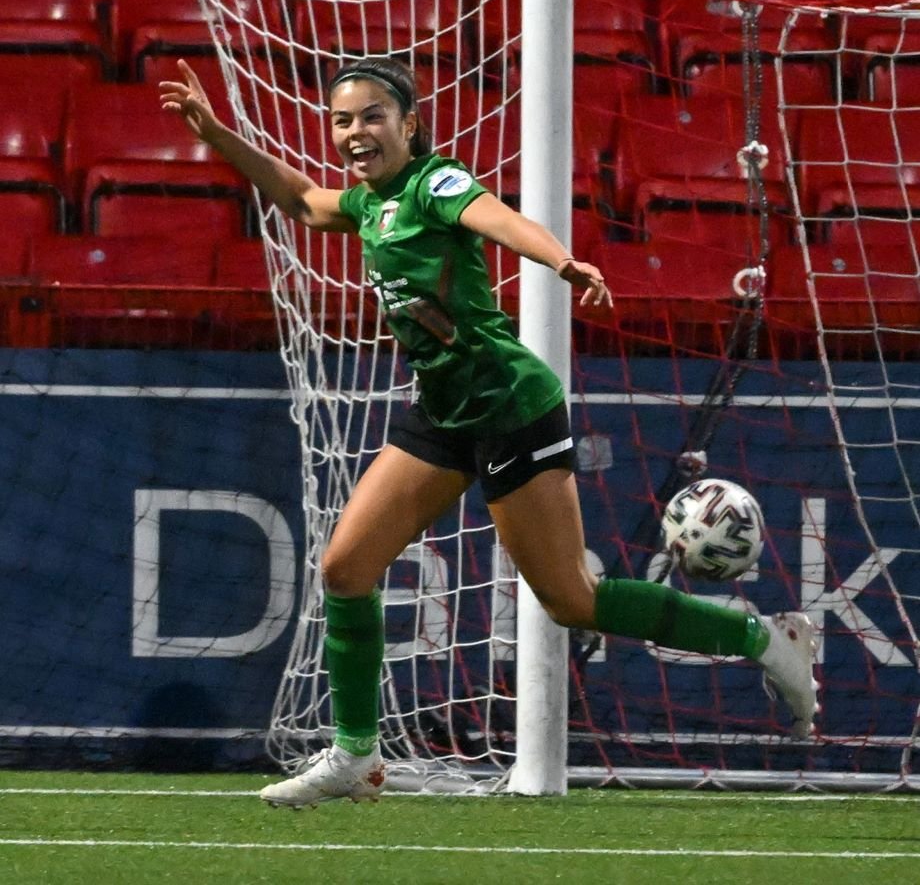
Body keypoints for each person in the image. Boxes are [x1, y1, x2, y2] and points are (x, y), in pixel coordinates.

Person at [160, 56, 819, 809]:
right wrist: (214, 132)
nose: (355, 132)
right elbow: (305, 199)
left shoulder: (434, 185)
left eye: (373, 115)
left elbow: (497, 220)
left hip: (510, 408)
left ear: (408, 125)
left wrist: (562, 261)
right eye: (342, 120)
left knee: (573, 600)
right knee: (345, 569)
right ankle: (355, 756)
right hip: (443, 412)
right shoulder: (371, 205)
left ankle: (767, 642)